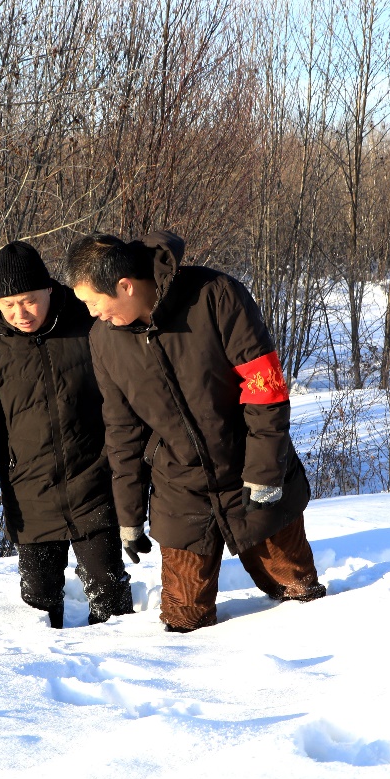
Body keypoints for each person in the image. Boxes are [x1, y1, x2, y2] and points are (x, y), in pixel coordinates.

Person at [65, 231, 326, 632]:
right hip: (180, 486)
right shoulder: (104, 341)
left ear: (124, 286)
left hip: (250, 471)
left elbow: (264, 388)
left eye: (93, 303)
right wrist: (130, 515)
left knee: (298, 591)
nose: (93, 313)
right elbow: (122, 430)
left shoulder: (215, 296)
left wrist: (265, 472)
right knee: (184, 618)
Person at [0, 240, 133, 628]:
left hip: (93, 480)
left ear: (49, 290)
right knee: (37, 603)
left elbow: (123, 395)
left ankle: (118, 674)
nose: (20, 313)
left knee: (110, 595)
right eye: (8, 305)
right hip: (30, 491)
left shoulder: (87, 321)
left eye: (28, 300)